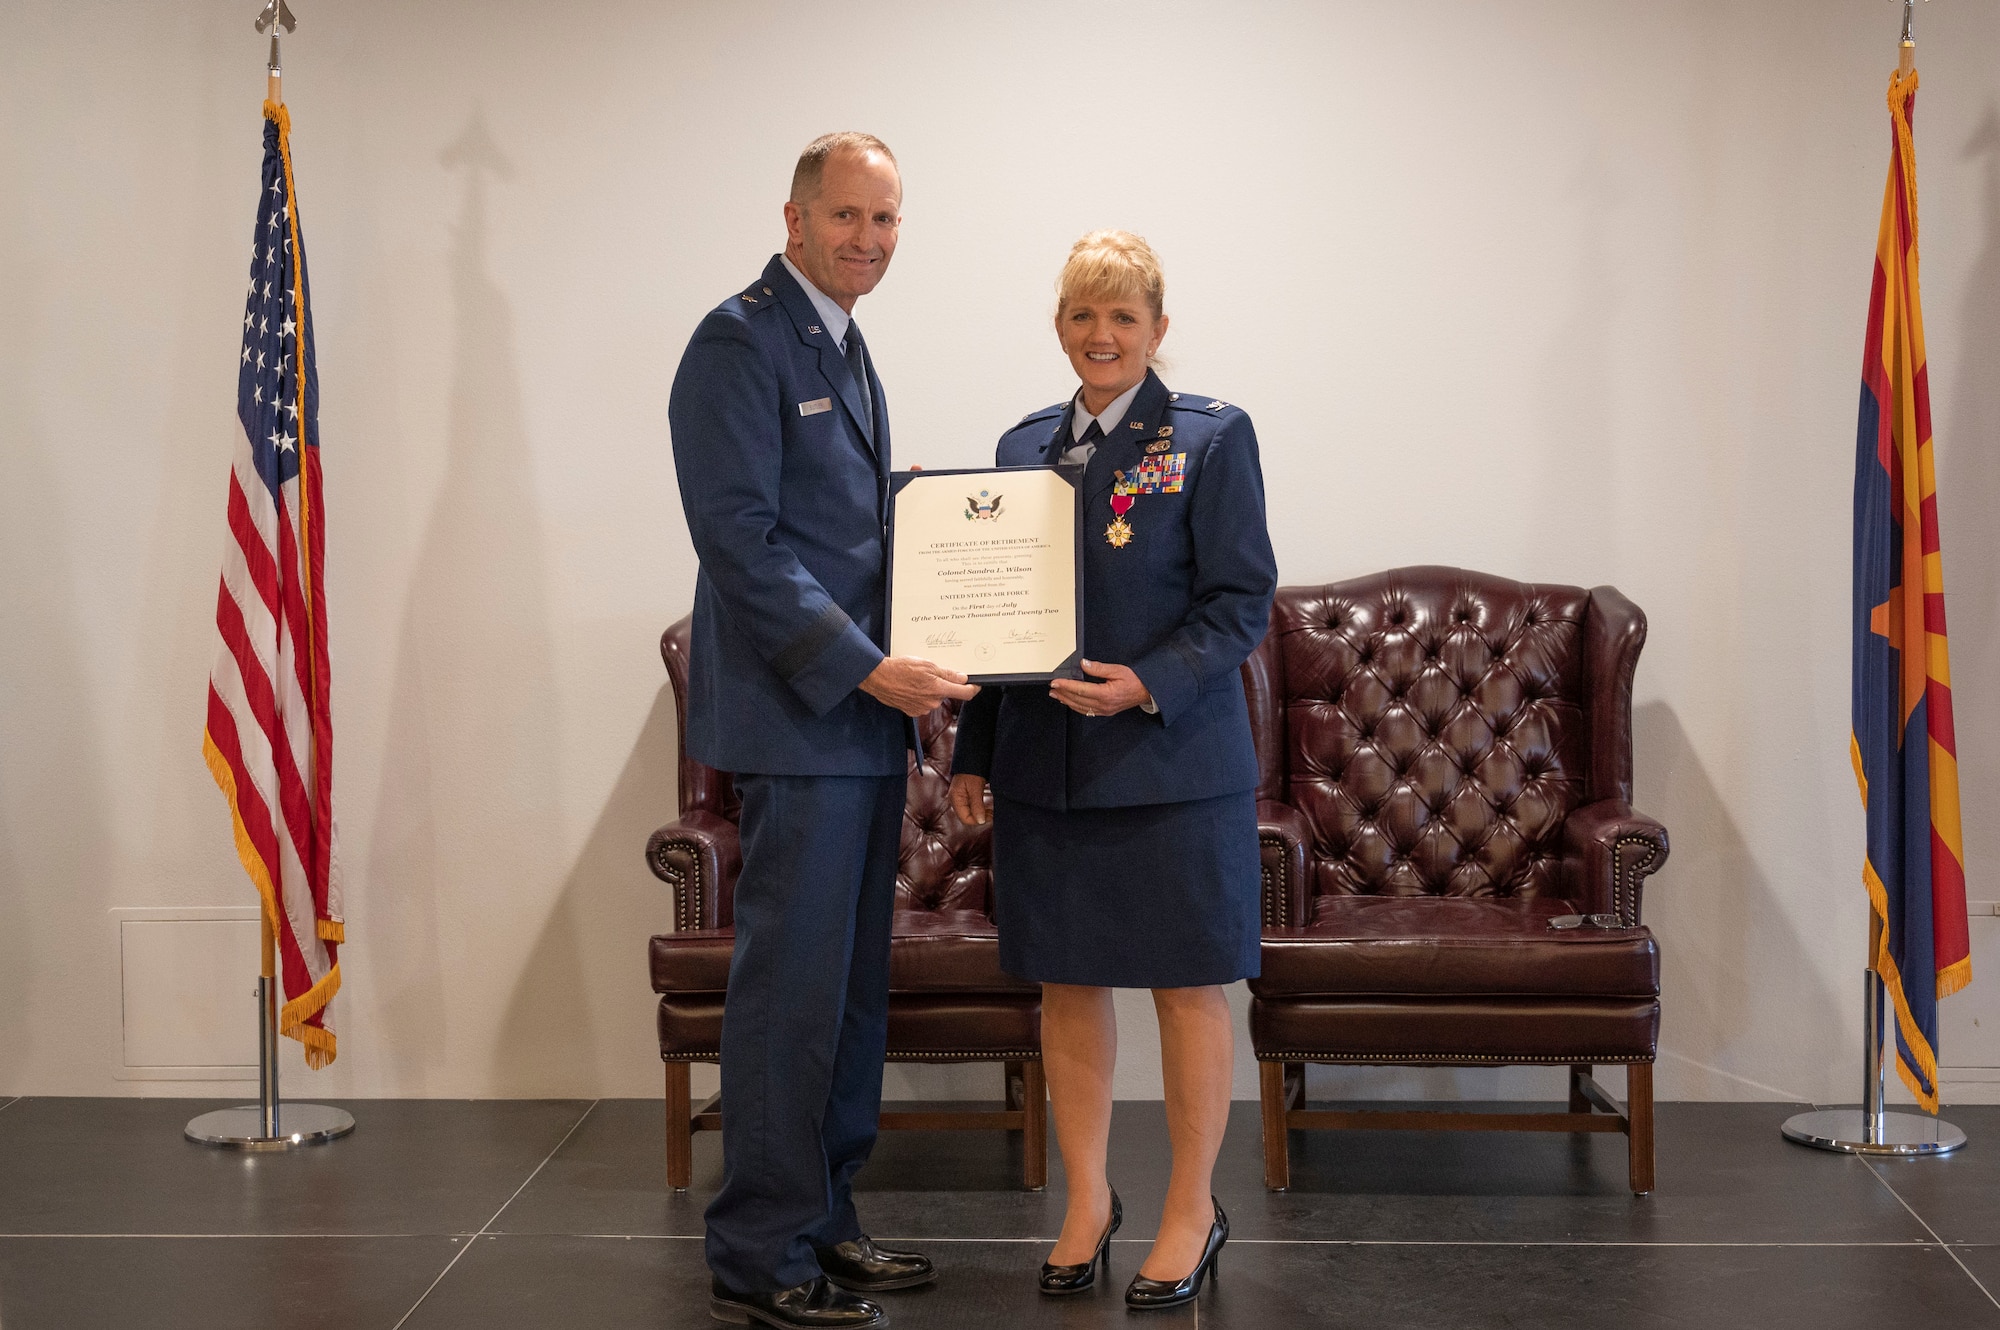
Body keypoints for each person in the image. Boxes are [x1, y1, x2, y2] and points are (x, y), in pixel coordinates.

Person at [670, 132, 977, 1330]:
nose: (867, 240)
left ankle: (825, 1219)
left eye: (885, 221)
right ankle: (758, 1249)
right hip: (802, 718)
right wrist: (868, 666)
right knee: (787, 996)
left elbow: (847, 536)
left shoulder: (844, 347)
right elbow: (739, 542)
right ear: (792, 218)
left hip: (857, 725)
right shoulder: (736, 341)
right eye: (845, 217)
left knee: (848, 994)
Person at [949, 230, 1278, 1312]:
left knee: (1188, 988)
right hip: (1049, 769)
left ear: (1157, 331)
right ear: (1059, 329)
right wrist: (973, 753)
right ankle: (1087, 1199)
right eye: (1082, 317)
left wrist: (1147, 681)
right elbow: (1000, 619)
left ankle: (1191, 1206)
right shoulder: (1018, 446)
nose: (1101, 336)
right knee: (1067, 986)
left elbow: (1238, 601)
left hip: (1174, 763)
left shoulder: (1210, 439)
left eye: (1123, 318)